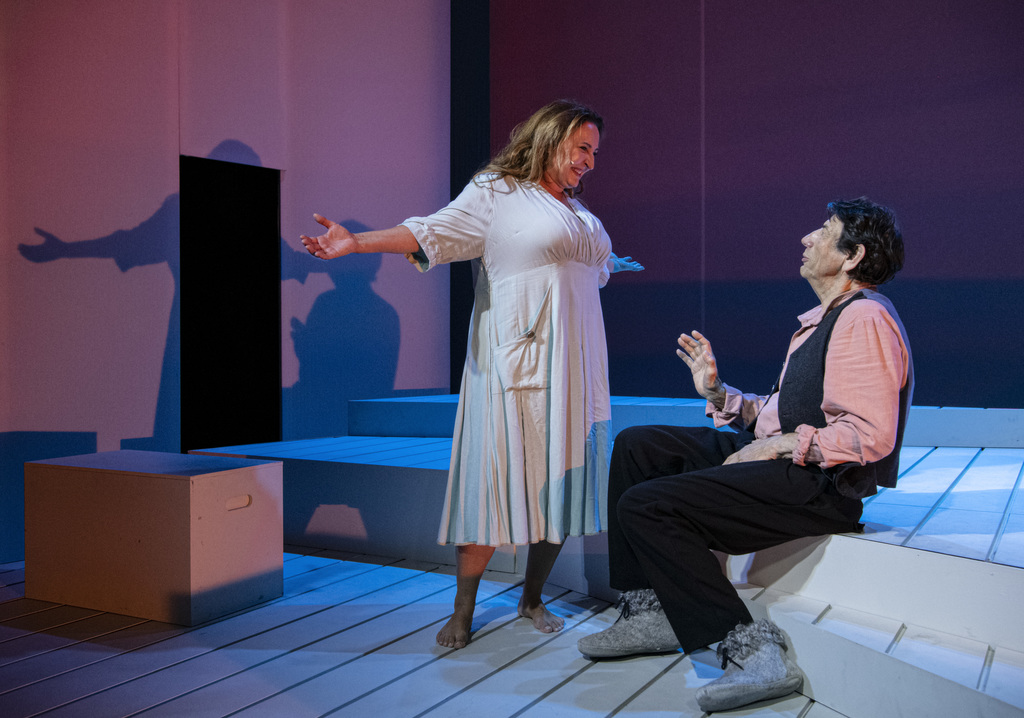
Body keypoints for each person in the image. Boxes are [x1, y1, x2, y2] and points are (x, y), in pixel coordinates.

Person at [300, 100, 642, 649]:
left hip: (576, 369)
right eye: (582, 148)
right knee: (492, 483)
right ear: (550, 139)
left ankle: (532, 598)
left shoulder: (576, 210)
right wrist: (358, 242)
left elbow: (581, 263)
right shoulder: (497, 192)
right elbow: (431, 232)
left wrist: (608, 260)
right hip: (516, 366)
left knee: (560, 481)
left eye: (595, 152)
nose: (590, 162)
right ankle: (463, 609)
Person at [577, 198, 912, 713]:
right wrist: (718, 394)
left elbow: (870, 434)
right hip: (790, 459)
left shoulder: (865, 318)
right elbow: (778, 416)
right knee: (639, 446)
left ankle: (754, 651)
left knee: (648, 504)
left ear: (852, 256)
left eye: (824, 230)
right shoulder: (824, 320)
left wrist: (777, 445)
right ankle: (652, 612)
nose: (807, 238)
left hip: (820, 485)